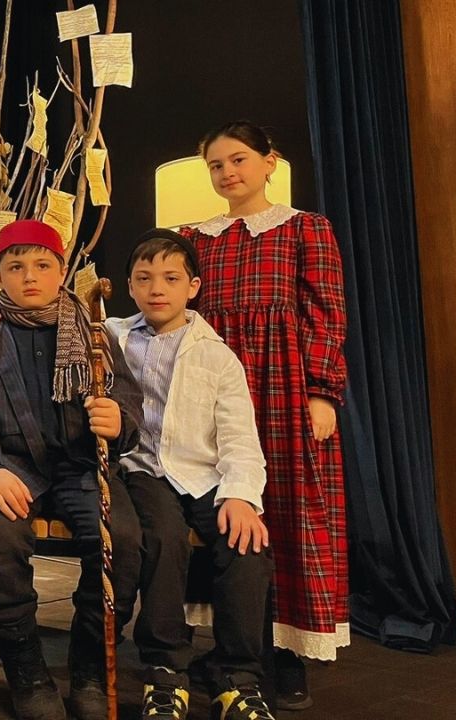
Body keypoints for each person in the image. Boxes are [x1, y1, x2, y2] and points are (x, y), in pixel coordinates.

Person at [183, 122, 348, 709]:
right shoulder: (194, 238)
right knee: (225, 514)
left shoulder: (304, 229)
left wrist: (322, 392)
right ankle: (233, 648)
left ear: (269, 162)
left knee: (286, 512)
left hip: (283, 388)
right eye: (216, 165)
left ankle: (286, 653)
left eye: (239, 160)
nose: (227, 172)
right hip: (214, 393)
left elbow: (326, 312)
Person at [0, 220, 142, 720]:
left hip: (81, 466)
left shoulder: (93, 333)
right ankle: (28, 672)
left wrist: (117, 419)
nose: (30, 276)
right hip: (14, 466)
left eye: (42, 265)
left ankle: (89, 670)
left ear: (62, 271)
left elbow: (127, 399)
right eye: (16, 267)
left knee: (121, 539)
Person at [107, 228, 275, 720]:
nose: (157, 288)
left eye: (171, 278)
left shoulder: (216, 355)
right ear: (130, 286)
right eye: (144, 278)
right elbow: (54, 325)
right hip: (143, 469)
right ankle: (164, 669)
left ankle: (236, 674)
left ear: (193, 286)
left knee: (247, 544)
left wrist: (240, 495)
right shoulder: (110, 336)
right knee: (162, 537)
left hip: (203, 475)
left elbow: (240, 436)